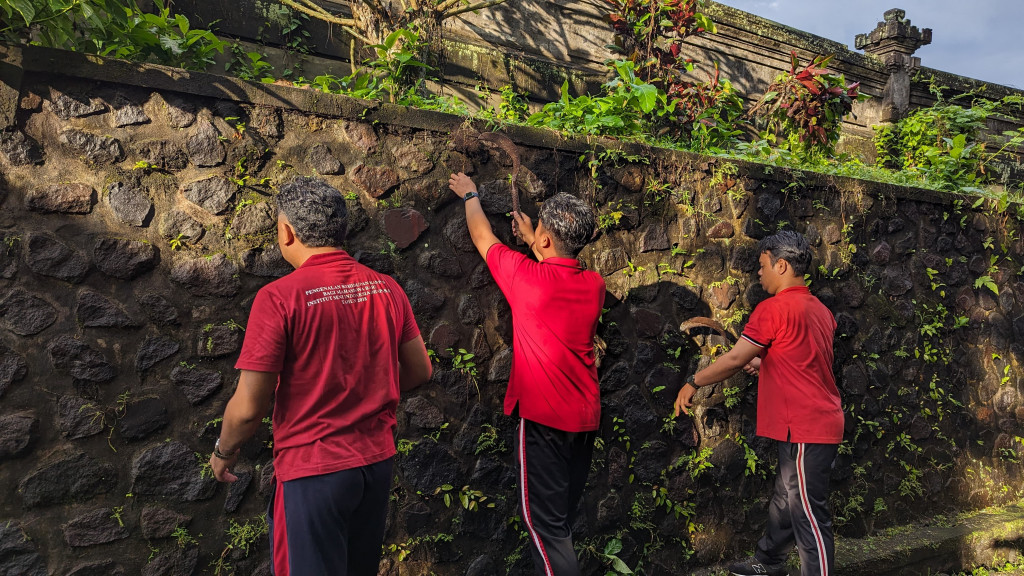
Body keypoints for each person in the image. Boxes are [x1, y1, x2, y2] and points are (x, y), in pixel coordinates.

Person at [208, 176, 432, 576]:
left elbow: (248, 408)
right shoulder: (387, 288)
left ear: (287, 231)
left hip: (314, 471)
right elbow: (419, 369)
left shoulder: (278, 298)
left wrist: (224, 451)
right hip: (375, 465)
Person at [448, 172, 605, 576]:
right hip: (584, 420)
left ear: (547, 239)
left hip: (544, 420)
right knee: (560, 523)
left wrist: (471, 195)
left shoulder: (524, 277)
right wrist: (537, 240)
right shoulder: (594, 285)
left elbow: (484, 237)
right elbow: (556, 273)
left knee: (544, 529)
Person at [673, 230, 842, 576]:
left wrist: (693, 382)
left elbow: (735, 359)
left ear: (781, 265)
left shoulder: (774, 308)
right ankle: (769, 561)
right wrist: (766, 362)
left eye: (762, 266)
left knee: (808, 512)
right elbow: (805, 362)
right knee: (786, 498)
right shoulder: (820, 311)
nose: (758, 274)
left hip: (805, 426)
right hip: (814, 421)